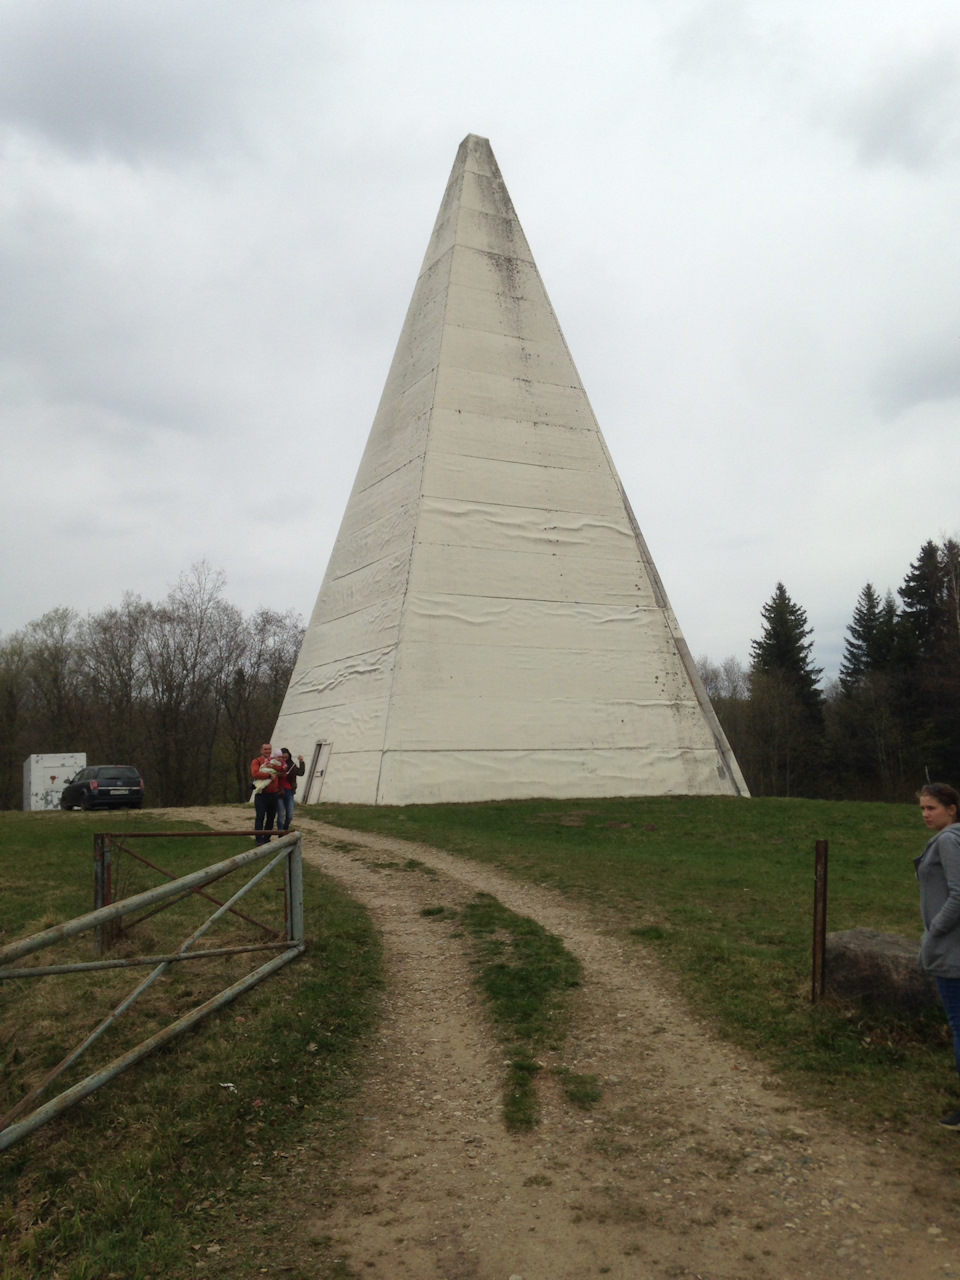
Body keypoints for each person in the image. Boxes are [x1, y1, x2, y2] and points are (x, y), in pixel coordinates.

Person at [915, 781, 960, 1128]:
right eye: (923, 809)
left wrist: (934, 932)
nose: (926, 814)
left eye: (932, 808)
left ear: (951, 809)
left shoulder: (948, 840)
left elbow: (958, 895)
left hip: (951, 950)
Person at [251, 742, 285, 844]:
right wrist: (269, 775)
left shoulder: (274, 761)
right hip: (262, 794)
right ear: (261, 750)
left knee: (271, 818)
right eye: (265, 749)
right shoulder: (256, 761)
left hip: (273, 794)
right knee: (260, 817)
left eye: (269, 749)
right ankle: (258, 839)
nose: (267, 751)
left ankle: (266, 838)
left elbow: (282, 771)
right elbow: (255, 773)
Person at [277, 748, 305, 831]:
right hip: (279, 791)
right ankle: (280, 834)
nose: (285, 759)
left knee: (290, 815)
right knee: (281, 815)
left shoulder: (291, 765)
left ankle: (285, 829)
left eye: (286, 758)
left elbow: (300, 772)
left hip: (289, 791)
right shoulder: (276, 765)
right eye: (283, 757)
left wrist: (301, 762)